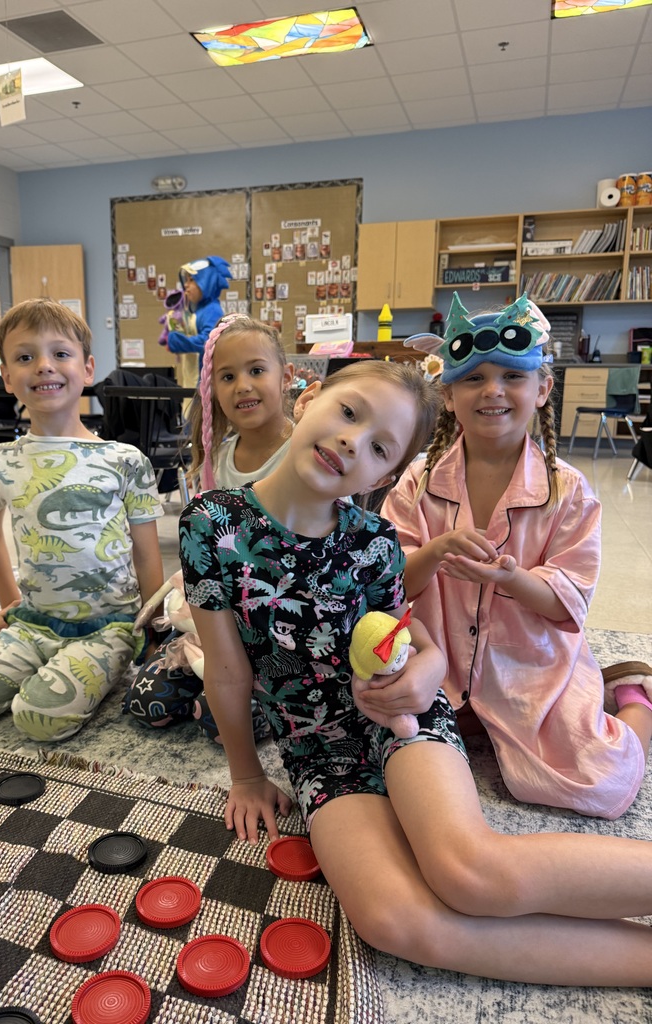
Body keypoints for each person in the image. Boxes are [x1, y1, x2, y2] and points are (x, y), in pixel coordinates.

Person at [179, 357, 652, 987]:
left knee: (468, 872)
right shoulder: (211, 524)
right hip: (316, 747)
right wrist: (245, 773)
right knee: (395, 921)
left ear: (387, 473)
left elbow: (412, 637)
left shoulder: (374, 540)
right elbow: (230, 673)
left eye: (378, 446)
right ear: (308, 398)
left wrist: (429, 670)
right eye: (348, 413)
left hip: (399, 715)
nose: (352, 442)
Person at [381, 291, 652, 820]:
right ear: (450, 393)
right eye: (474, 378)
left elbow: (564, 605)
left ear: (543, 388)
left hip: (527, 665)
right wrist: (434, 551)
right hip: (439, 662)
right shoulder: (415, 483)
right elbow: (388, 582)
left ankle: (635, 698)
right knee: (376, 754)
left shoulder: (567, 490)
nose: (493, 392)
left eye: (511, 376)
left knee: (602, 780)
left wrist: (510, 576)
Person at [0, 299, 165, 745]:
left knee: (38, 719)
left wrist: (151, 630)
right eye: (26, 357)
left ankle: (80, 671)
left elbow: (146, 551)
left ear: (87, 369)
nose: (44, 367)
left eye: (60, 354)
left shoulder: (125, 460)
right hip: (33, 622)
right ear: (8, 377)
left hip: (109, 624)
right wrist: (10, 606)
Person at [125, 314, 294, 742]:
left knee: (219, 722)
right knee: (147, 704)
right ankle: (215, 675)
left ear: (286, 376)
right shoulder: (219, 458)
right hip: (217, 620)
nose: (243, 385)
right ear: (211, 389)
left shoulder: (305, 451)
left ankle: (246, 689)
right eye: (227, 376)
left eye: (257, 370)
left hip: (280, 624)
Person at [165, 256, 232, 389]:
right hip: (191, 378)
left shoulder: (212, 311)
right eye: (186, 280)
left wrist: (175, 340)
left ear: (205, 283)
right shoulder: (198, 310)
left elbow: (207, 342)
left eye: (192, 280)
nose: (185, 285)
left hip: (201, 383)